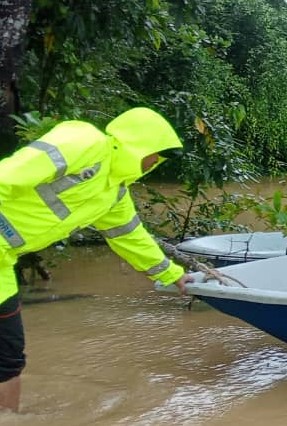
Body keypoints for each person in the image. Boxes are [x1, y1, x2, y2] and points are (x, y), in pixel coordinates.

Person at [0, 107, 194, 412]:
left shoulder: (114, 193)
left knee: (8, 355)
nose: (155, 163)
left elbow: (130, 236)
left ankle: (8, 418)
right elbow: (10, 173)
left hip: (3, 261)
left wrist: (173, 275)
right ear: (139, 145)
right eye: (156, 154)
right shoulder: (84, 141)